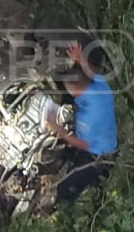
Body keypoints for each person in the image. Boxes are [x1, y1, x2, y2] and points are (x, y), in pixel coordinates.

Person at [47, 36, 118, 201]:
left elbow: (81, 143)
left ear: (75, 93)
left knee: (66, 186)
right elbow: (92, 72)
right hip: (105, 134)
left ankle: (61, 206)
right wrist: (80, 58)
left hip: (98, 156)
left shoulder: (86, 119)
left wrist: (56, 127)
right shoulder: (100, 87)